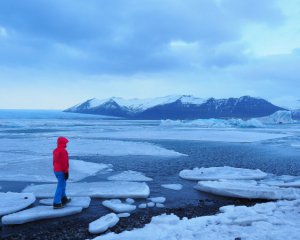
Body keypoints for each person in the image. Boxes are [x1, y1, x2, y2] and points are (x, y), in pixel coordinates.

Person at [53, 136, 71, 209]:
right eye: (65, 142)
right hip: (61, 171)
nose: (66, 144)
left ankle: (63, 198)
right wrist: (66, 172)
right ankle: (56, 203)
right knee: (60, 186)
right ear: (62, 143)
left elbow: (55, 161)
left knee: (62, 184)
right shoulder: (63, 151)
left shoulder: (56, 150)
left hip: (56, 170)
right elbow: (64, 162)